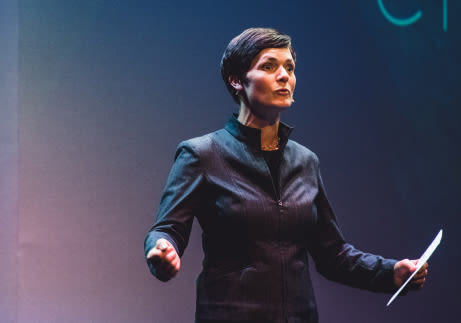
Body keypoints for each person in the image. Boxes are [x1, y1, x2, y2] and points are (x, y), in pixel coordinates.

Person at [145, 27, 428, 323]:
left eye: (289, 68)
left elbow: (333, 254)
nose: (284, 76)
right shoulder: (202, 154)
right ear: (236, 80)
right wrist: (161, 249)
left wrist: (390, 272)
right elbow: (166, 229)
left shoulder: (306, 161)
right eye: (269, 66)